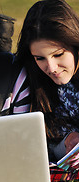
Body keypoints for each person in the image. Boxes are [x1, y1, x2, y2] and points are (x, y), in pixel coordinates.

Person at [16, 0, 79, 162]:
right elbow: (41, 144)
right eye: (40, 58)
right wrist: (66, 143)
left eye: (58, 55)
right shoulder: (31, 80)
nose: (51, 68)